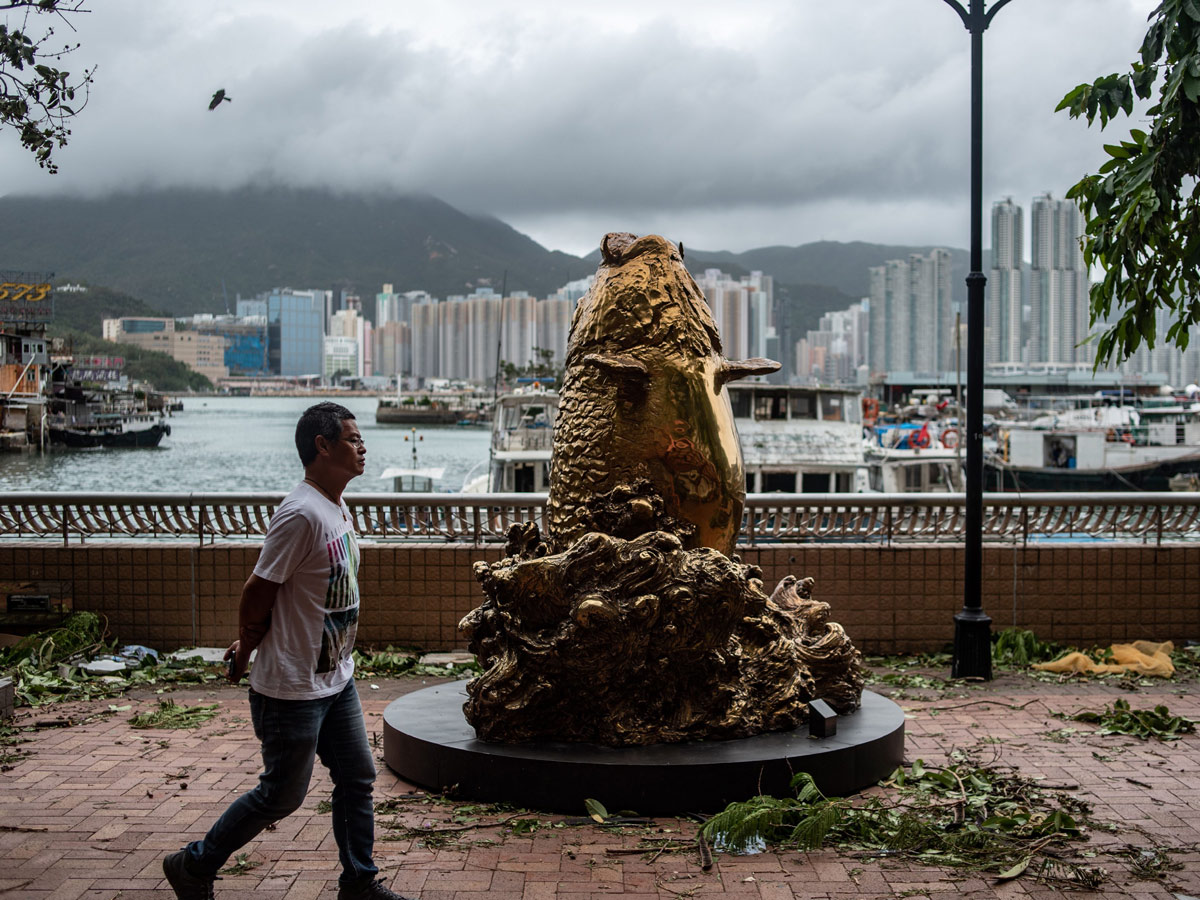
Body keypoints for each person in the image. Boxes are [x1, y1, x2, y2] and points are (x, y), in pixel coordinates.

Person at [163, 402, 411, 900]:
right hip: (292, 687)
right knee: (281, 795)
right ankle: (193, 864)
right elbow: (259, 589)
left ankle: (359, 883)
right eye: (352, 438)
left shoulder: (335, 504)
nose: (363, 446)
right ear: (322, 446)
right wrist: (247, 646)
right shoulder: (300, 513)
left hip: (334, 678)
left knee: (357, 777)